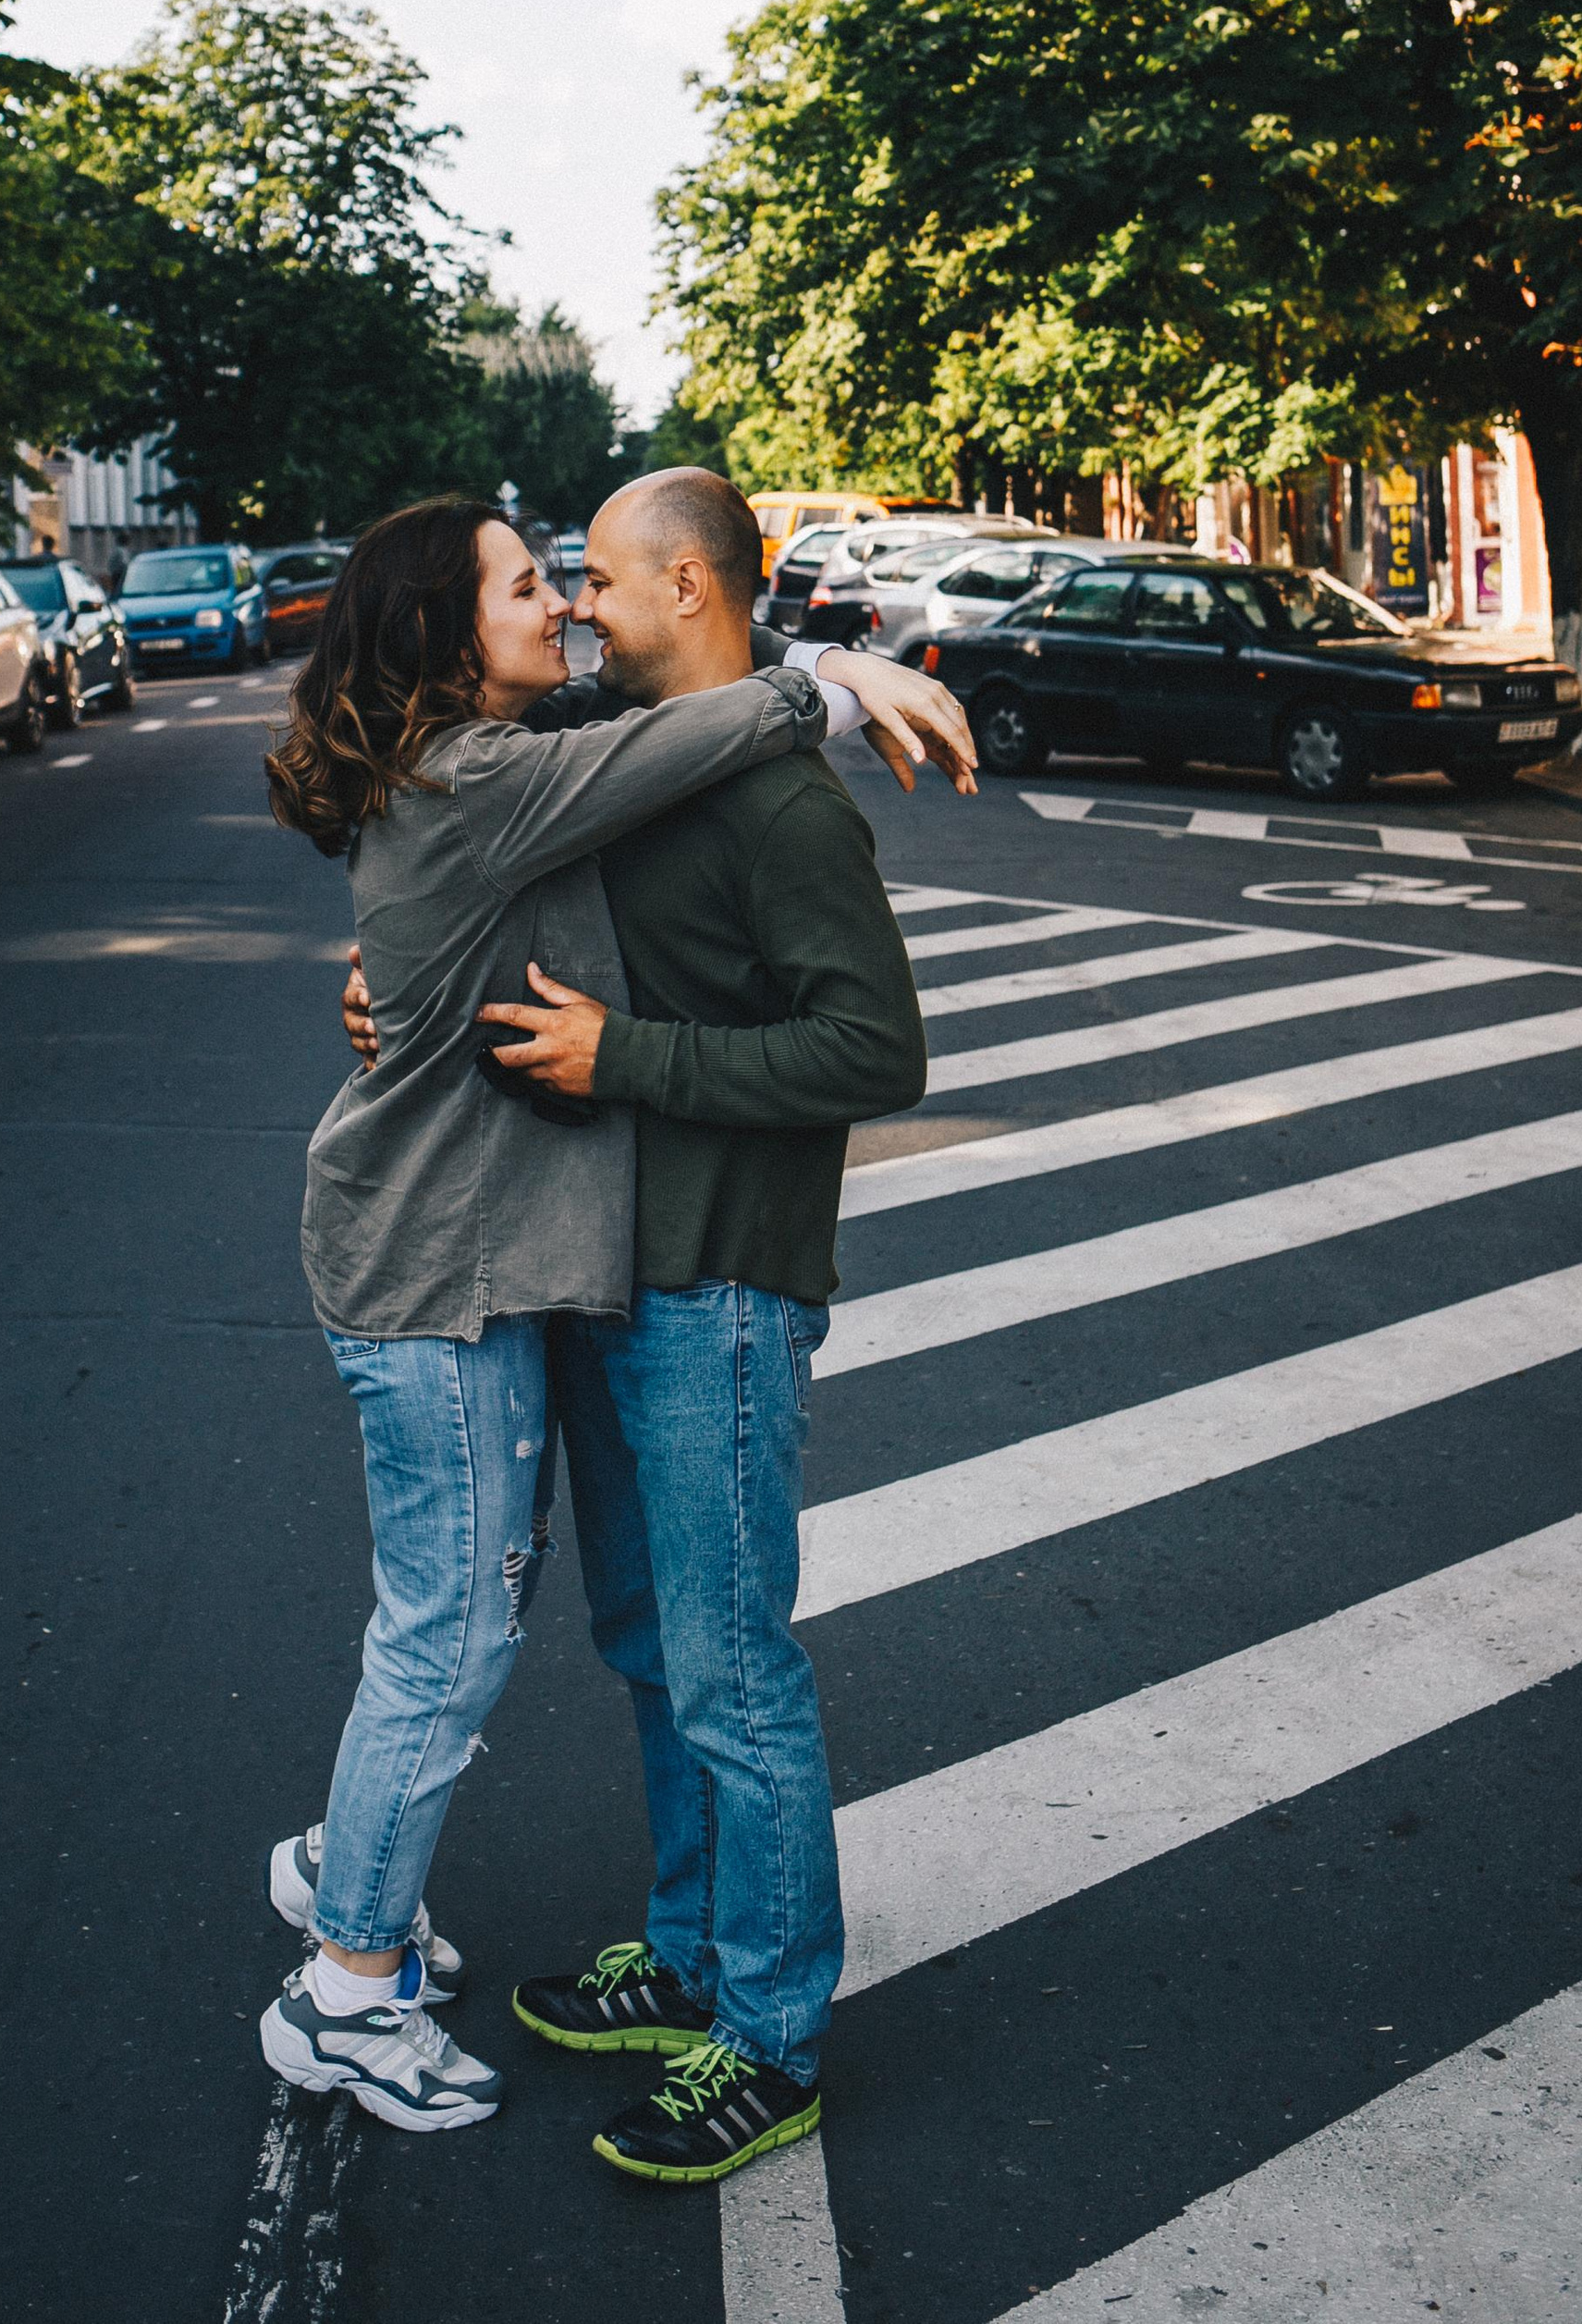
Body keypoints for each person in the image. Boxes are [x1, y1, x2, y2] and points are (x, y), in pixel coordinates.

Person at [255, 494, 967, 2136]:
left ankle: (773, 2033)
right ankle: (693, 1950)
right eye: (539, 581)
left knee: (732, 1671)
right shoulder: (601, 746)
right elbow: (463, 869)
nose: (571, 607)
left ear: (688, 585)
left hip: (717, 1278)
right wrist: (400, 987)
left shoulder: (775, 801)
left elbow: (878, 1057)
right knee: (654, 1650)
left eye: (589, 574)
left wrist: (622, 1059)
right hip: (595, 1273)